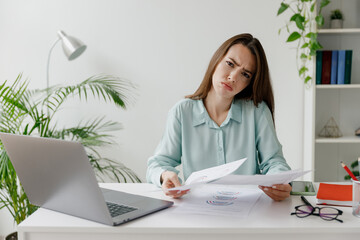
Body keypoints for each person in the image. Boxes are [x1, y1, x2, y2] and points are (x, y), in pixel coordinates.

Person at [146, 33, 292, 201]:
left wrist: (280, 181)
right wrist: (165, 175)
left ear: (249, 83)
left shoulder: (257, 111)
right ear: (217, 60)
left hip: (248, 209)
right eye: (230, 64)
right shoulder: (182, 112)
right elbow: (157, 164)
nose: (233, 77)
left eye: (245, 74)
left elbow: (274, 161)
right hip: (198, 210)